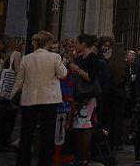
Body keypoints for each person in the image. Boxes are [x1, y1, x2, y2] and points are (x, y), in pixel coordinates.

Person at [14, 30, 67, 166]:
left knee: (26, 133)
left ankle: (22, 161)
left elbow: (19, 81)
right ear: (49, 43)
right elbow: (62, 74)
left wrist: (13, 95)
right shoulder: (54, 57)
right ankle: (44, 162)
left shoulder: (27, 58)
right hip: (49, 99)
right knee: (47, 134)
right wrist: (64, 64)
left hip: (29, 98)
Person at [69, 34, 108, 166]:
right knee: (78, 126)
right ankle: (79, 153)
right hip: (79, 95)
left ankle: (84, 155)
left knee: (86, 126)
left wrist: (77, 69)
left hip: (88, 95)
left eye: (78, 43)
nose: (76, 45)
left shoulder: (93, 58)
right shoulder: (81, 58)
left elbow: (90, 77)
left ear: (84, 44)